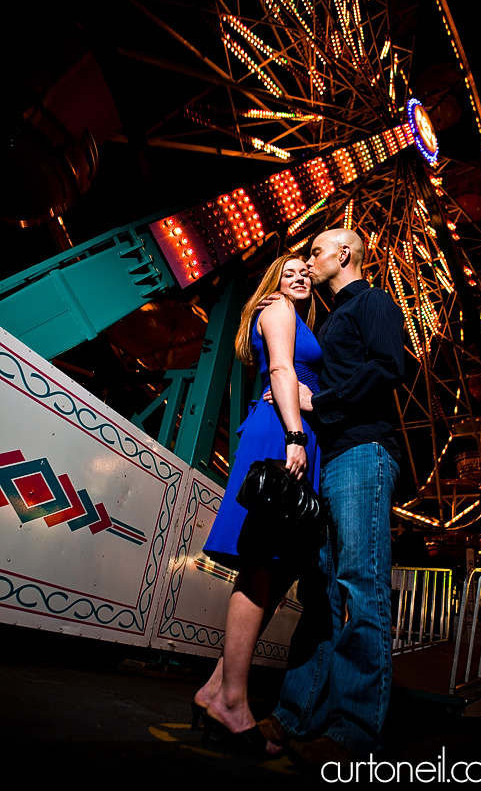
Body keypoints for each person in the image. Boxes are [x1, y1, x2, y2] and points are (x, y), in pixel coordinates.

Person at [258, 228, 405, 765]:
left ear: (344, 255)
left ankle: (354, 733)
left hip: (363, 451)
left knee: (361, 585)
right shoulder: (332, 317)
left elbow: (392, 365)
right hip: (333, 458)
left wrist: (321, 402)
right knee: (322, 590)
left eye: (317, 251)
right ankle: (294, 715)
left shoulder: (373, 301)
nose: (311, 259)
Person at [192, 254, 322, 754]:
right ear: (273, 282)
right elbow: (282, 368)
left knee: (276, 566)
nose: (300, 277)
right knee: (261, 564)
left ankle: (215, 689)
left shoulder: (297, 316)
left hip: (292, 427)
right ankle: (233, 700)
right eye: (289, 272)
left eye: (305, 273)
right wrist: (293, 434)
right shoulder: (279, 309)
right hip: (281, 433)